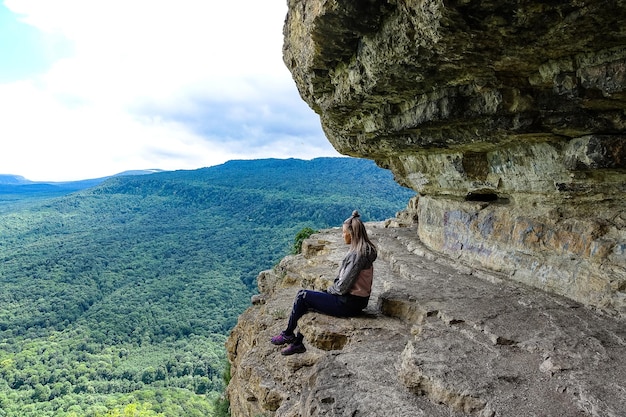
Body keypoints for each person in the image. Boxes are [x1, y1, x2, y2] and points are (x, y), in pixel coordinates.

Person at [270, 210, 377, 355]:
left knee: (303, 296)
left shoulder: (357, 256)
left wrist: (330, 290)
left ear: (351, 234)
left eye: (343, 232)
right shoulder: (365, 251)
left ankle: (288, 333)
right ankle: (297, 343)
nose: (342, 235)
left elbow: (342, 287)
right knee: (311, 301)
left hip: (348, 302)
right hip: (357, 301)